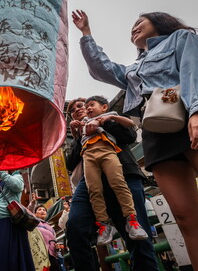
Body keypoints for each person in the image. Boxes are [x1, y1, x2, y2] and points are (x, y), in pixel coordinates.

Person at [72, 9, 198, 271]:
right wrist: (86, 33)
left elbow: (197, 70)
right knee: (185, 217)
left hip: (190, 117)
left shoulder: (180, 38)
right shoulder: (133, 69)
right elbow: (101, 68)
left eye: (140, 22)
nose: (134, 28)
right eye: (132, 26)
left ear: (160, 22)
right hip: (155, 132)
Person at [65, 97, 158, 271]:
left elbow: (129, 135)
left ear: (98, 108)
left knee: (137, 237)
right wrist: (79, 136)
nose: (78, 109)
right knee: (75, 226)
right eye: (73, 110)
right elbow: (70, 163)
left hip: (123, 173)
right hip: (90, 181)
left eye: (83, 106)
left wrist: (103, 121)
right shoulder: (79, 133)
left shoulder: (109, 118)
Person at [79, 95, 148, 245]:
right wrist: (74, 126)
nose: (88, 108)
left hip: (108, 150)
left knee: (118, 182)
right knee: (94, 189)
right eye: (87, 107)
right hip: (88, 154)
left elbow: (130, 124)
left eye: (92, 105)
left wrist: (108, 118)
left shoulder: (111, 117)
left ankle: (132, 220)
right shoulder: (84, 122)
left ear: (104, 107)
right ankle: (103, 224)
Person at [34, 205, 60, 271]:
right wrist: (33, 203)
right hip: (39, 254)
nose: (42, 211)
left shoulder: (51, 228)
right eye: (39, 209)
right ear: (35, 214)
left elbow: (54, 240)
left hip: (52, 255)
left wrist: (57, 247)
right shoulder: (33, 223)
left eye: (44, 210)